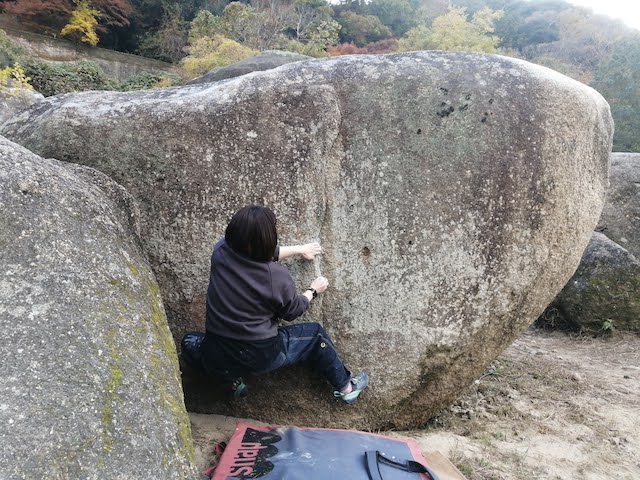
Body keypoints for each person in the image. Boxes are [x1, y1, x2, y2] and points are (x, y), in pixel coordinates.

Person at [198, 205, 368, 404]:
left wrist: (299, 249)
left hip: (218, 351)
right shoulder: (276, 277)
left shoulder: (220, 252)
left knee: (189, 342)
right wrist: (312, 291)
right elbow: (292, 311)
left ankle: (231, 382)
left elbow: (251, 252)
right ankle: (347, 388)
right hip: (260, 354)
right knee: (316, 334)